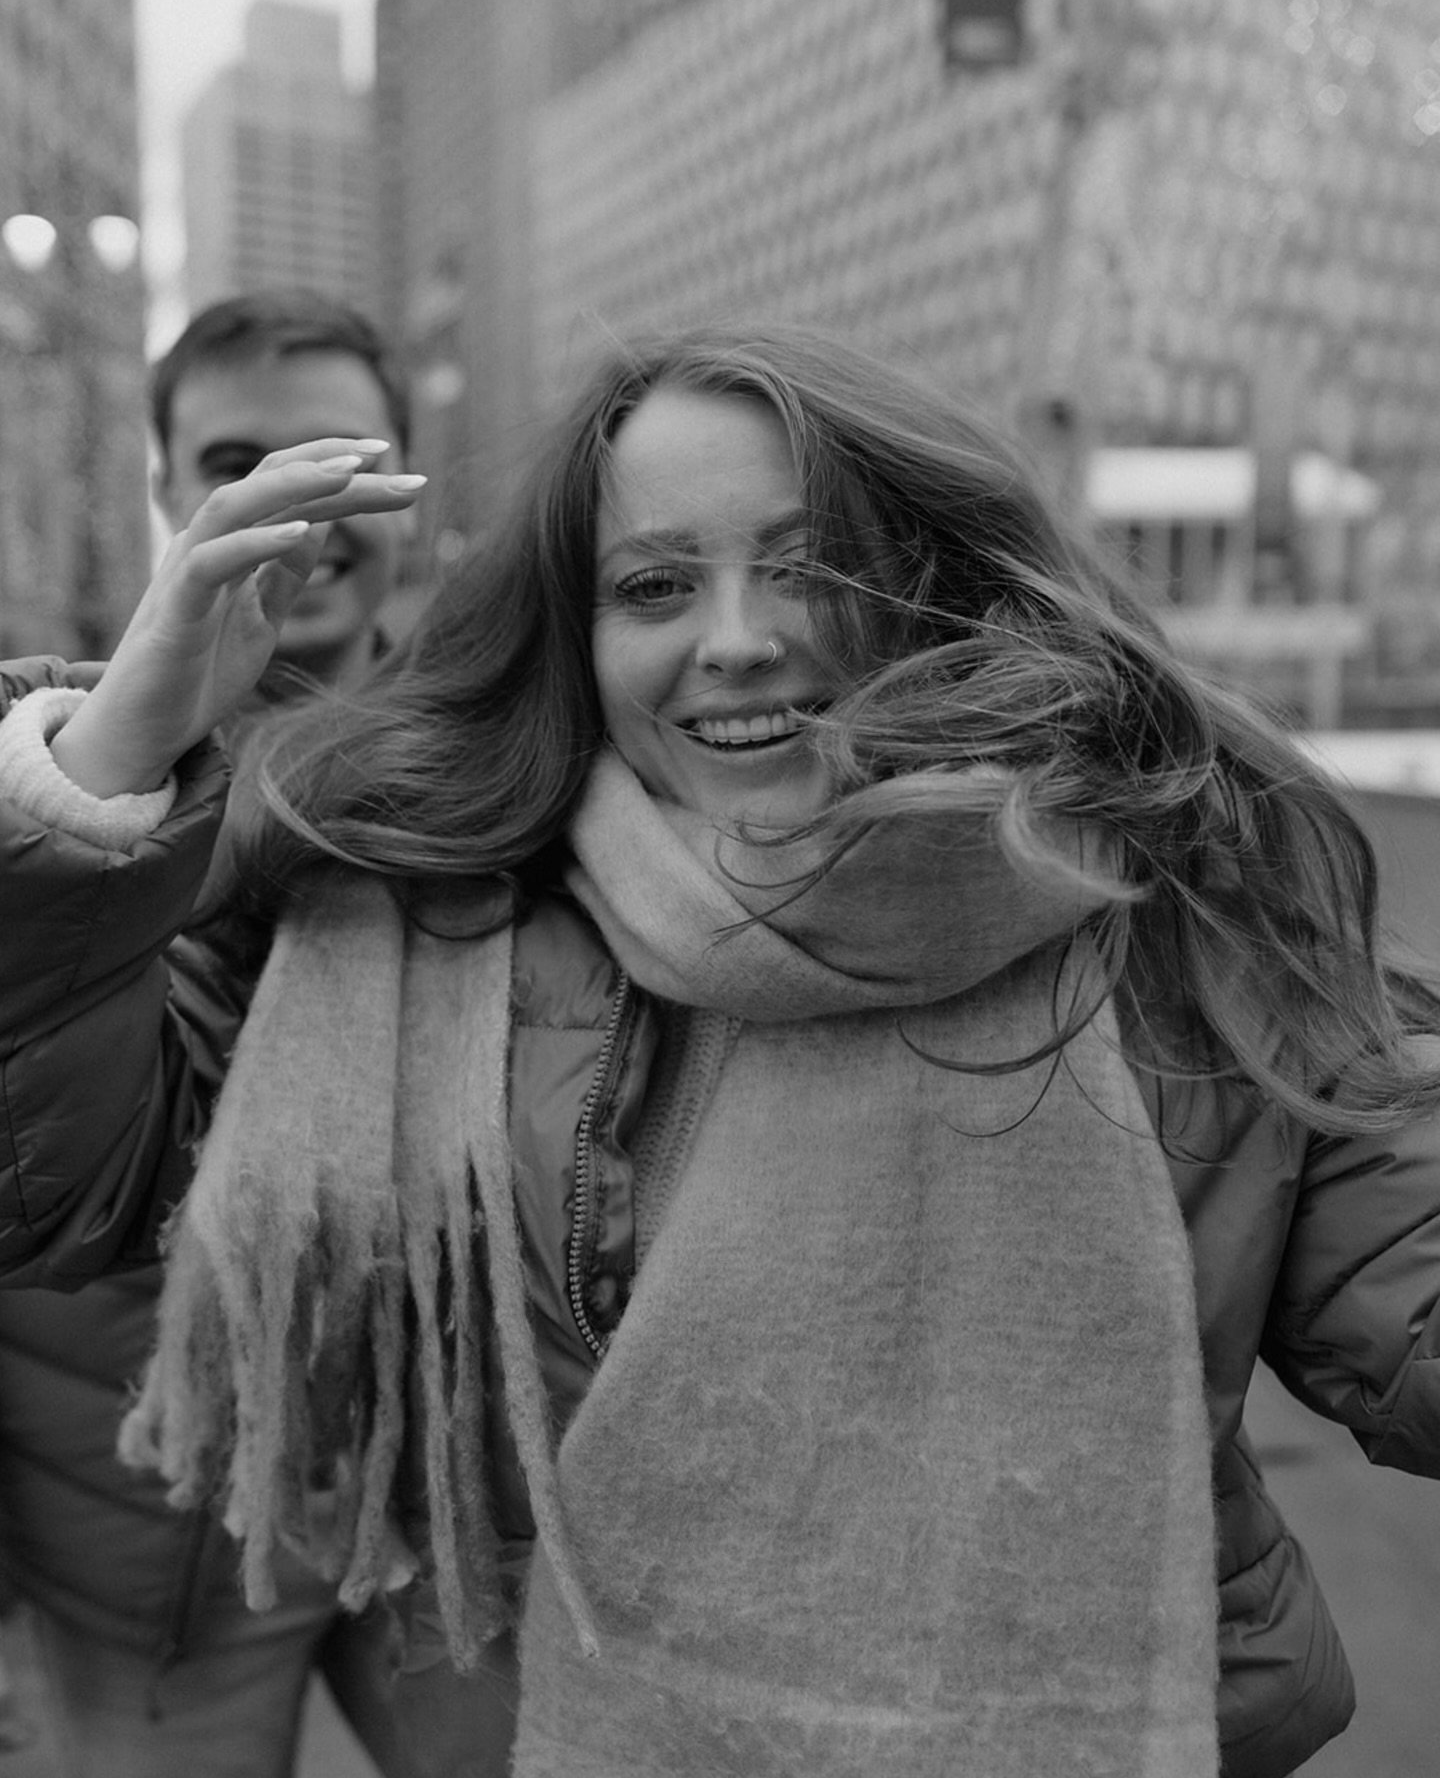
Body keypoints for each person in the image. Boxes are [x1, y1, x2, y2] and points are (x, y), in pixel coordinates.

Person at [2, 323, 1440, 1778]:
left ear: (934, 579)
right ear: (583, 631)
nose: (738, 636)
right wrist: (108, 759)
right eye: (655, 585)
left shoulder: (1188, 914)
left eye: (811, 563)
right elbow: (63, 1184)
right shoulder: (425, 907)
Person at [0, 289, 421, 1778]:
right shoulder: (56, 754)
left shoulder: (521, 762)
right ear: (171, 487)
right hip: (147, 1553)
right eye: (243, 459)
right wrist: (125, 759)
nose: (299, 504)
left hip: (440, 1515)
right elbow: (41, 1175)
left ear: (411, 502)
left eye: (341, 460)